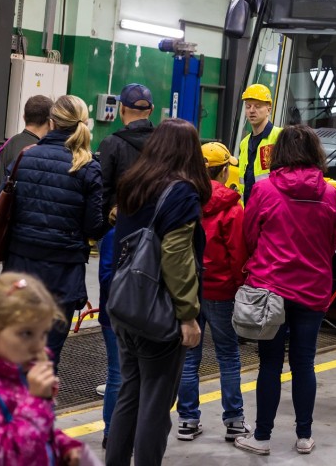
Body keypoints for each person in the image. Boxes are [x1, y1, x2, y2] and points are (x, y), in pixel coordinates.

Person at [105, 119, 208, 466]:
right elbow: (177, 257)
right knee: (155, 404)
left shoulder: (134, 182)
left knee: (129, 394)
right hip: (159, 312)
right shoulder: (181, 192)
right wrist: (188, 314)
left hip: (127, 305)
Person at [235, 125, 336, 456]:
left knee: (269, 364)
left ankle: (262, 437)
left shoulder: (264, 190)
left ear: (279, 152)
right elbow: (332, 241)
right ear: (315, 153)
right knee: (304, 362)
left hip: (271, 290)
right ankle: (304, 436)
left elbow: (248, 236)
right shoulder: (330, 193)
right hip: (313, 289)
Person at [3, 94, 104, 371]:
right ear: (84, 125)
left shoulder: (25, 158)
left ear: (51, 122)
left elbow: (7, 210)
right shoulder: (88, 167)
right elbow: (93, 227)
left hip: (20, 269)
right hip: (62, 275)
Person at [95, 82, 155, 449]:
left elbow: (101, 195)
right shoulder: (165, 146)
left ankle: (112, 435)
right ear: (150, 110)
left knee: (119, 366)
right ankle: (142, 435)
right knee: (152, 370)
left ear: (121, 110)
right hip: (154, 255)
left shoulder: (112, 144)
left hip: (118, 246)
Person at [176, 142, 249, 443]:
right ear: (225, 169)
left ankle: (187, 421)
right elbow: (238, 255)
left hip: (190, 289)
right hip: (221, 290)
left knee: (189, 356)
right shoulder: (232, 209)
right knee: (228, 355)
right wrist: (238, 287)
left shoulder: (183, 202)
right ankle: (234, 422)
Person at [0, 273, 84, 465]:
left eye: (43, 333)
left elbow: (34, 431)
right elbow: (2, 457)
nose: (38, 346)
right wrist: (36, 403)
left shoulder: (17, 372)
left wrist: (61, 445)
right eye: (26, 333)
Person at [0, 95, 53, 211]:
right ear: (50, 122)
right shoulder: (41, 150)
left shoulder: (8, 144)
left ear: (24, 117)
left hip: (2, 214)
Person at [237, 83, 282, 204]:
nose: (251, 110)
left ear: (269, 109)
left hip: (270, 208)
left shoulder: (280, 137)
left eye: (257, 106)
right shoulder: (244, 143)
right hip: (249, 209)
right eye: (248, 106)